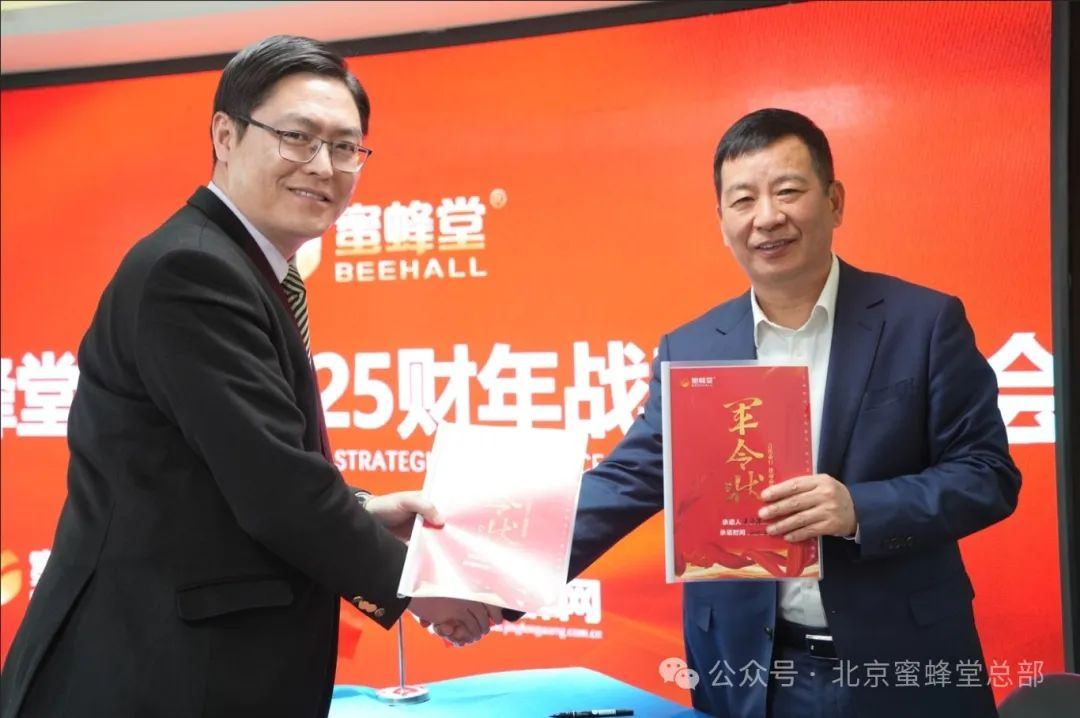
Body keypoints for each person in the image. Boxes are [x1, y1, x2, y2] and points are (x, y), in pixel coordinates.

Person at [0, 35, 500, 718]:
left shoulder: (241, 267)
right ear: (226, 135)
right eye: (297, 137)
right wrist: (418, 587)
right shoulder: (192, 270)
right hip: (150, 675)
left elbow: (232, 471)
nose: (322, 166)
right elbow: (276, 490)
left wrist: (361, 510)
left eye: (345, 147)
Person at [569, 108, 1020, 718]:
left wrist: (859, 508)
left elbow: (986, 475)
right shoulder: (692, 348)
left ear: (834, 201)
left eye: (787, 191)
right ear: (722, 221)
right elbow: (628, 480)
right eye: (743, 200)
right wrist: (489, 577)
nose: (766, 218)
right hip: (749, 673)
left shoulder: (923, 323)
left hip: (902, 662)